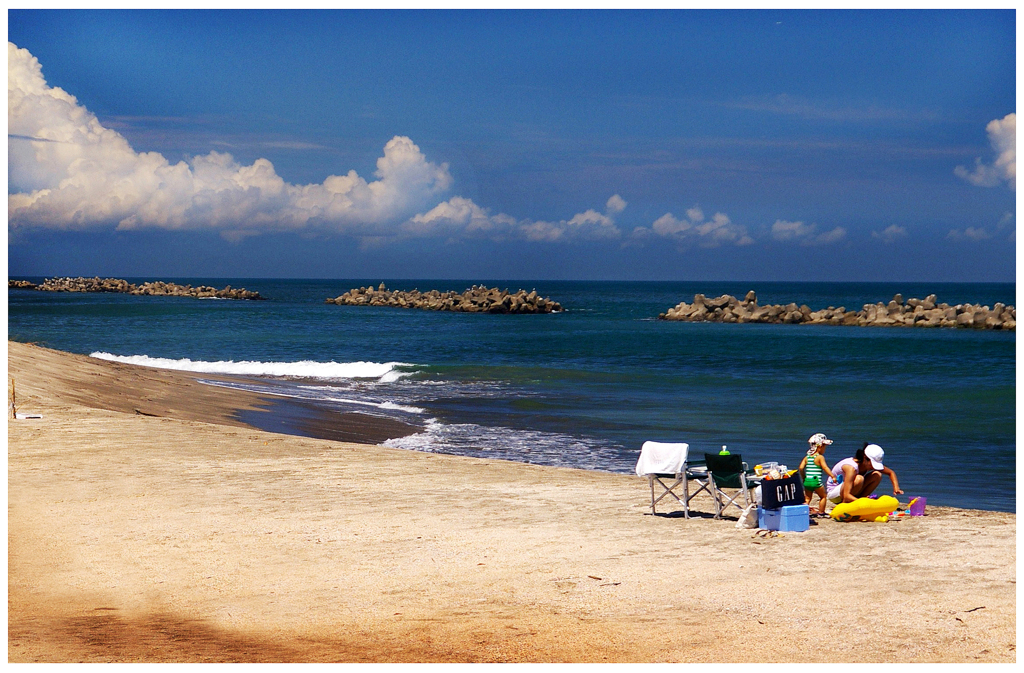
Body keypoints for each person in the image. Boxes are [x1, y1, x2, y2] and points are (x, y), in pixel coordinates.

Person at [826, 443, 903, 504]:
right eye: (872, 463)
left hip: (848, 491)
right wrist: (866, 503)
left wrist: (896, 488)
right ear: (864, 458)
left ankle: (858, 500)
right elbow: (846, 495)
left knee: (877, 474)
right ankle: (846, 504)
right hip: (835, 494)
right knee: (859, 479)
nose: (873, 467)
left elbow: (891, 472)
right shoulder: (851, 468)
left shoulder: (868, 464)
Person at [799, 433, 836, 516]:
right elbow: (825, 468)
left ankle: (802, 512)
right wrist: (832, 476)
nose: (824, 449)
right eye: (824, 447)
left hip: (807, 481)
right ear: (819, 446)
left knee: (807, 498)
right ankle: (821, 512)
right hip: (816, 481)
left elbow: (801, 468)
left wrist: (804, 477)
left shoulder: (807, 457)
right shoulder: (820, 457)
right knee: (823, 496)